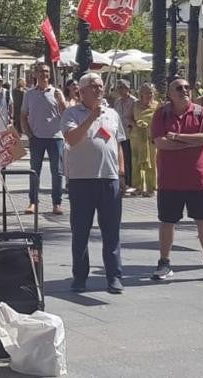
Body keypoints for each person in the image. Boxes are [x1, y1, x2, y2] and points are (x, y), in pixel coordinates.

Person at [151, 76, 203, 284]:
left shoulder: (202, 113)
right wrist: (191, 141)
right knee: (167, 222)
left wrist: (177, 136)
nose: (184, 91)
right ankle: (164, 262)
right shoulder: (161, 114)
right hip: (170, 180)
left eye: (187, 87)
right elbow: (159, 142)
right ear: (170, 94)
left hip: (199, 180)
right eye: (179, 88)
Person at [60, 72, 125, 293]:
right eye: (94, 86)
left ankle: (114, 276)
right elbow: (71, 139)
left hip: (108, 179)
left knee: (111, 232)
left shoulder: (113, 114)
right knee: (80, 233)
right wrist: (90, 118)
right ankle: (79, 277)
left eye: (100, 86)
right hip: (82, 181)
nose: (99, 89)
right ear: (82, 90)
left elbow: (117, 144)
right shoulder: (71, 113)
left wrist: (121, 173)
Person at [21, 64, 67, 216]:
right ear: (35, 74)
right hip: (37, 138)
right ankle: (33, 202)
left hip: (56, 138)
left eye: (46, 72)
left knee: (57, 172)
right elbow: (23, 115)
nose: (44, 74)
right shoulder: (29, 94)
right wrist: (29, 135)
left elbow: (65, 115)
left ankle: (57, 203)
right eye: (41, 72)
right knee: (34, 171)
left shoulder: (56, 92)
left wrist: (61, 100)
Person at [129, 84, 158, 197]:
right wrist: (134, 124)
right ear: (141, 94)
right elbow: (129, 118)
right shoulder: (135, 105)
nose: (149, 94)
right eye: (146, 92)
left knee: (151, 162)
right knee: (136, 162)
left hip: (150, 138)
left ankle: (151, 188)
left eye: (151, 92)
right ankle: (138, 187)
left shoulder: (157, 105)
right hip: (136, 137)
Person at [114, 80, 138, 195]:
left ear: (128, 88)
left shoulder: (134, 101)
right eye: (118, 87)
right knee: (121, 159)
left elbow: (137, 117)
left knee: (129, 159)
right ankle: (124, 182)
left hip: (130, 134)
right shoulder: (117, 102)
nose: (120, 90)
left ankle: (130, 182)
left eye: (122, 87)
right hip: (119, 134)